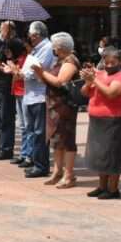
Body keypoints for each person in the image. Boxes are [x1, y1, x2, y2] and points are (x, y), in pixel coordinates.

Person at [81, 47, 121, 200]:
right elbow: (85, 92)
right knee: (100, 155)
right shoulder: (100, 74)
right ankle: (102, 186)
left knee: (112, 155)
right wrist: (88, 81)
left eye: (113, 62)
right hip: (97, 119)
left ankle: (113, 188)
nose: (109, 65)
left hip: (114, 120)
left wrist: (94, 79)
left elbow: (111, 93)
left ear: (120, 62)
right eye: (106, 62)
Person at [32, 32, 80, 188]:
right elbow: (49, 80)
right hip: (54, 105)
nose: (52, 48)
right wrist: (40, 74)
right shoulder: (59, 60)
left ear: (60, 47)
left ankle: (69, 175)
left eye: (54, 45)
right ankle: (57, 171)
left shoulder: (71, 60)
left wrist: (42, 72)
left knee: (66, 140)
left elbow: (60, 81)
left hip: (65, 106)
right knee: (56, 140)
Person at [16, 22, 56, 178]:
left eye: (32, 35)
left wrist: (21, 74)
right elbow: (27, 70)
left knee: (39, 133)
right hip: (30, 94)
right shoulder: (35, 50)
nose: (30, 38)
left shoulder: (47, 48)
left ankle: (41, 165)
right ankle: (34, 160)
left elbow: (36, 71)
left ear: (38, 35)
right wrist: (20, 72)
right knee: (32, 131)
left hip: (39, 95)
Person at [2, 38, 29, 165]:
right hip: (17, 92)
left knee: (26, 126)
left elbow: (22, 75)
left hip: (24, 93)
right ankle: (24, 153)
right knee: (22, 126)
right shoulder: (17, 59)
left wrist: (12, 69)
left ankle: (27, 154)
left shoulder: (24, 59)